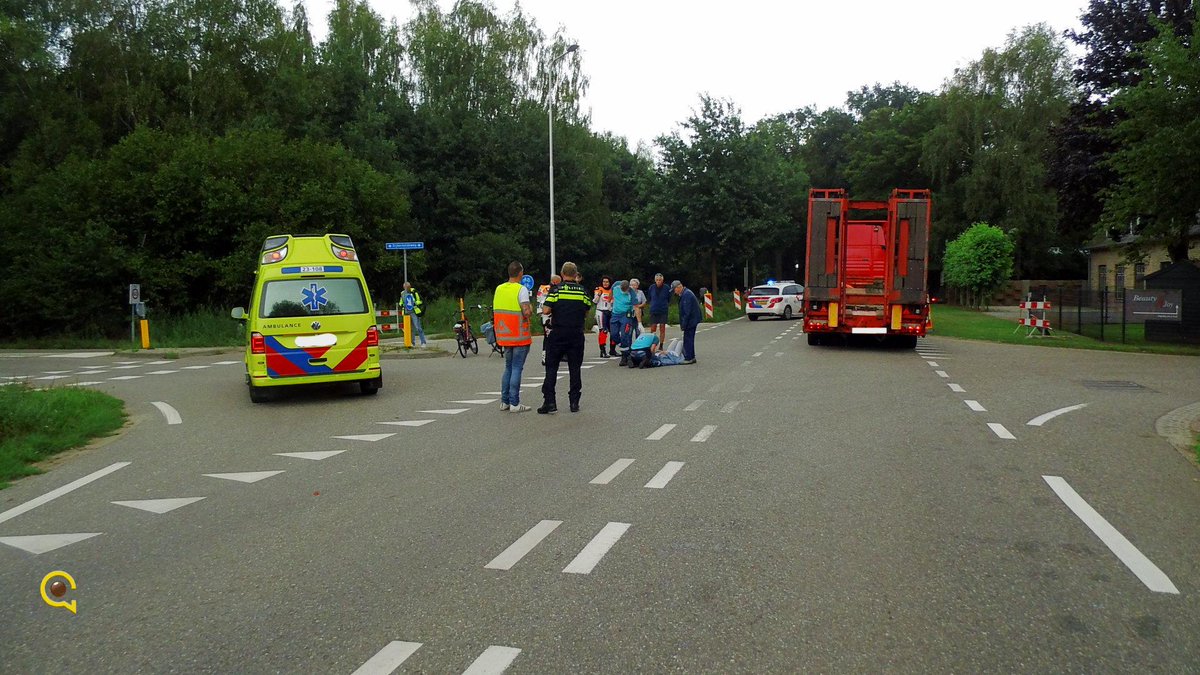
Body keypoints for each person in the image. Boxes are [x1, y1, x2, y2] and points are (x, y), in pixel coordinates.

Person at [539, 262, 594, 414]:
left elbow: (546, 310)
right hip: (576, 334)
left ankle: (550, 402)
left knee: (552, 368)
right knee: (575, 368)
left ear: (562, 274)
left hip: (558, 333)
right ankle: (574, 402)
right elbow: (587, 308)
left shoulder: (556, 290)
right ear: (576, 274)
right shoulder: (582, 291)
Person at [493, 262, 534, 412]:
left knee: (508, 367)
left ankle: (505, 402)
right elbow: (526, 312)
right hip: (519, 335)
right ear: (520, 273)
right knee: (517, 368)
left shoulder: (499, 288)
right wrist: (530, 308)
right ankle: (515, 403)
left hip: (504, 335)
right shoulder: (521, 289)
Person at [673, 280, 701, 364]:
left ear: (678, 287)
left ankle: (689, 357)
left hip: (691, 320)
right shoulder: (686, 293)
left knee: (688, 339)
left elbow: (686, 312)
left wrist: (683, 324)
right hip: (693, 319)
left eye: (674, 289)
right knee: (689, 338)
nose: (674, 292)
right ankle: (691, 356)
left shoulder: (686, 295)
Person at [609, 280, 636, 365]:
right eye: (622, 290)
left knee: (625, 335)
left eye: (625, 290)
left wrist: (639, 322)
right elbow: (611, 291)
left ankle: (625, 356)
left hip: (626, 315)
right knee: (613, 334)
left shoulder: (631, 293)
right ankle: (624, 347)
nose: (624, 292)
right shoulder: (616, 285)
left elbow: (636, 306)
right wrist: (610, 300)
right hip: (615, 314)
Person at [537, 274, 562, 366]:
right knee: (551, 337)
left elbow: (539, 302)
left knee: (547, 337)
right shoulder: (553, 290)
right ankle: (549, 357)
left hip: (543, 315)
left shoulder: (541, 288)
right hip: (550, 315)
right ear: (555, 282)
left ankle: (545, 356)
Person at [645, 273, 671, 346]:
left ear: (662, 280)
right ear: (655, 280)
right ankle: (651, 344)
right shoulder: (651, 287)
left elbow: (669, 298)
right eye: (657, 280)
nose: (658, 281)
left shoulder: (666, 288)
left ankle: (661, 345)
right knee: (653, 327)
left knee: (662, 327)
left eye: (660, 280)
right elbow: (649, 298)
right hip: (654, 310)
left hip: (663, 310)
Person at [593, 276, 615, 358]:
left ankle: (612, 350)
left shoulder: (612, 290)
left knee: (614, 331)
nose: (605, 283)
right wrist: (599, 294)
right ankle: (603, 351)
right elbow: (594, 301)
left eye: (607, 282)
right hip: (601, 311)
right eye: (604, 282)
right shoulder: (599, 289)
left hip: (610, 311)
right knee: (603, 331)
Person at [400, 281, 427, 348]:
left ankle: (423, 342)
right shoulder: (402, 293)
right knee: (410, 329)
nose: (406, 289)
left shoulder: (414, 292)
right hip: (406, 313)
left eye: (407, 287)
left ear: (410, 287)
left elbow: (420, 301)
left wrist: (414, 302)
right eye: (405, 288)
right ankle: (412, 343)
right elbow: (401, 302)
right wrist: (402, 304)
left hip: (414, 312)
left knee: (418, 327)